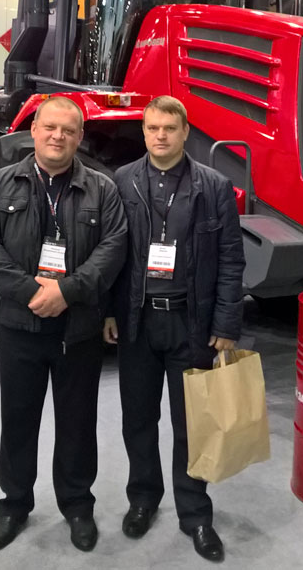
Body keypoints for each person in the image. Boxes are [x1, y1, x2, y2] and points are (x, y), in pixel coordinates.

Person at [0, 96, 127, 553]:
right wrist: (31, 292)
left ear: (80, 137)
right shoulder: (2, 182)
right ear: (34, 130)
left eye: (69, 130)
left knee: (77, 423)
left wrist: (67, 291)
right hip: (20, 326)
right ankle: (14, 505)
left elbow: (113, 248)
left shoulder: (102, 189)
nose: (58, 136)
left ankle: (77, 505)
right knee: (18, 420)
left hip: (78, 329)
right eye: (51, 127)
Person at [105, 95, 245, 563]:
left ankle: (195, 514)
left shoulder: (214, 187)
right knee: (138, 419)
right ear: (143, 132)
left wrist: (226, 321)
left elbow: (231, 259)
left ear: (185, 131)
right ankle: (143, 500)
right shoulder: (122, 181)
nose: (160, 135)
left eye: (169, 128)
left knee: (193, 425)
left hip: (192, 324)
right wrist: (109, 312)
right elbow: (111, 254)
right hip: (138, 321)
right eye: (152, 128)